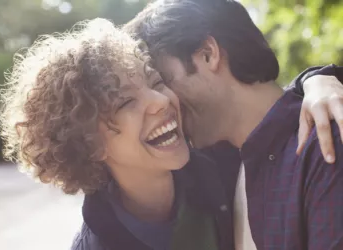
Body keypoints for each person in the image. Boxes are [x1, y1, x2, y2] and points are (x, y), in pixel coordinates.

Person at [0, 14, 343, 250]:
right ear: (89, 144)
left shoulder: (218, 158)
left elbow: (263, 110)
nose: (160, 101)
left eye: (155, 81)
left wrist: (318, 80)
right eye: (124, 103)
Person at [125, 0, 343, 249]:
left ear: (208, 54)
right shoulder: (216, 170)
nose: (164, 102)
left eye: (161, 81)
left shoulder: (325, 145)